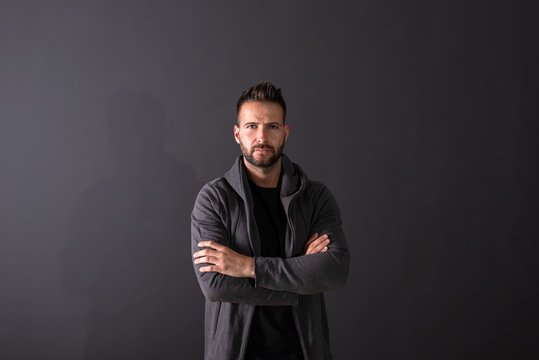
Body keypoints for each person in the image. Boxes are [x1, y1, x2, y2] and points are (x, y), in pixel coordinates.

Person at [191, 82, 349, 360]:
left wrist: (247, 266)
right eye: (252, 126)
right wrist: (297, 284)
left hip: (304, 353)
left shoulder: (314, 196)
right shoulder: (214, 198)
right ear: (237, 134)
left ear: (285, 133)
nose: (261, 136)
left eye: (272, 126)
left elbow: (335, 269)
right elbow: (215, 285)